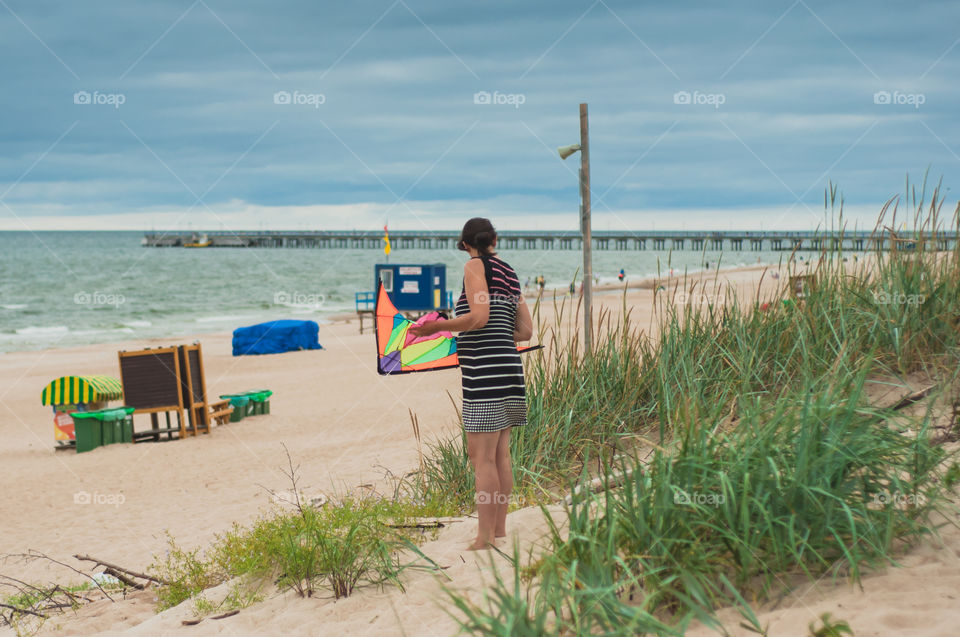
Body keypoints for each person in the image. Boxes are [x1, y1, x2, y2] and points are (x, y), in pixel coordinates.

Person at [409, 217, 533, 551]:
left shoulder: (473, 266)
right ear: (494, 239)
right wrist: (494, 337)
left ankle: (483, 538)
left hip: (485, 371)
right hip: (509, 367)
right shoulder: (509, 273)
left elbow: (479, 317)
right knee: (500, 454)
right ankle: (499, 530)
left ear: (466, 244)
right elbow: (525, 332)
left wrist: (436, 327)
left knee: (481, 458)